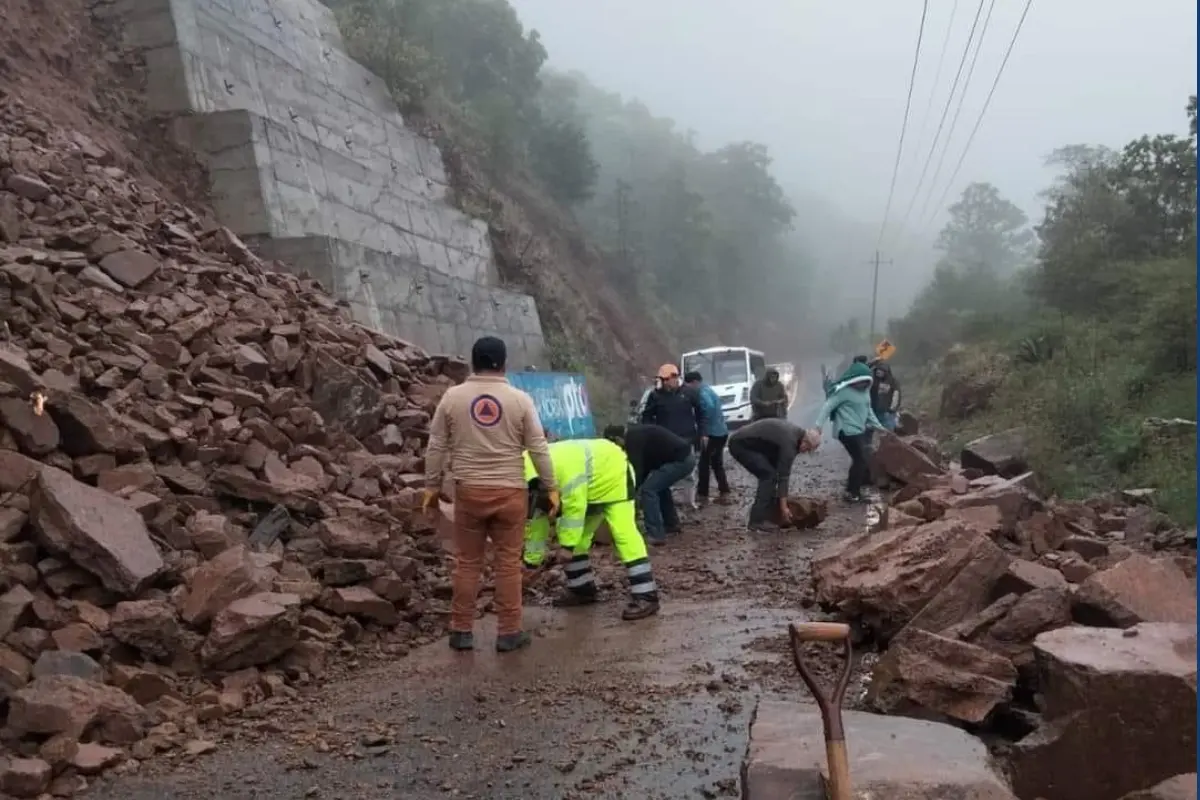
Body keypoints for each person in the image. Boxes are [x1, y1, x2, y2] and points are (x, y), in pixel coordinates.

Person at [423, 336, 560, 653]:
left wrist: (431, 487)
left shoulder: (453, 397)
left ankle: (461, 631)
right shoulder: (520, 400)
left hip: (468, 491)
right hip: (511, 491)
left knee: (467, 562)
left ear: (473, 363)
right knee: (508, 564)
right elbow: (538, 448)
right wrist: (551, 486)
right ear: (504, 364)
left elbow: (436, 446)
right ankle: (509, 632)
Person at [522, 439, 660, 620]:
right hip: (591, 483)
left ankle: (646, 595)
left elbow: (575, 507)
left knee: (623, 534)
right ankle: (582, 590)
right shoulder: (529, 477)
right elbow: (539, 520)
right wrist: (530, 562)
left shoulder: (563, 470)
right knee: (577, 540)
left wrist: (567, 547)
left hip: (614, 474)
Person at [603, 423, 695, 544]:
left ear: (617, 438)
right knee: (659, 487)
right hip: (684, 457)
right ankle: (671, 524)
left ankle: (656, 535)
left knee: (648, 490)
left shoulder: (633, 439)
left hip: (681, 461)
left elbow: (637, 471)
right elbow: (644, 468)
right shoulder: (636, 434)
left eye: (615, 444)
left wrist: (629, 494)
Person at [728, 419, 819, 531]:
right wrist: (784, 507)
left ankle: (768, 513)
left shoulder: (796, 435)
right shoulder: (790, 443)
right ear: (805, 441)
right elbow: (784, 476)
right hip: (740, 445)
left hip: (756, 445)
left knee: (771, 474)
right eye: (807, 449)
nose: (805, 452)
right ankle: (756, 521)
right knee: (768, 476)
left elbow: (780, 467)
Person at [814, 360, 885, 504]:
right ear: (854, 379)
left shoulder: (865, 392)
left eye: (866, 381)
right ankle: (852, 492)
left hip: (858, 430)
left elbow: (868, 411)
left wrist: (880, 427)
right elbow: (827, 407)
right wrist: (818, 426)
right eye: (861, 381)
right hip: (846, 430)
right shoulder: (843, 392)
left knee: (861, 460)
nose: (863, 384)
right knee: (861, 459)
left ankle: (853, 490)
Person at [683, 370, 731, 505]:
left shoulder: (702, 393)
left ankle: (703, 493)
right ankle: (724, 489)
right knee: (717, 463)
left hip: (712, 434)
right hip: (722, 431)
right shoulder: (709, 389)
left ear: (694, 382)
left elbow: (707, 408)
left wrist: (703, 429)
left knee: (704, 463)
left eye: (688, 386)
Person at [640, 364, 707, 446]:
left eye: (667, 379)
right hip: (665, 441)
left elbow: (700, 413)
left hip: (687, 439)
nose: (665, 382)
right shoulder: (655, 395)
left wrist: (703, 433)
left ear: (675, 378)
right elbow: (647, 416)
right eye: (662, 379)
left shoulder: (688, 392)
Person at [868, 358, 902, 432]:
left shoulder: (893, 382)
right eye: (877, 370)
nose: (878, 372)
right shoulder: (872, 381)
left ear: (886, 372)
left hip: (887, 413)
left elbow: (896, 395)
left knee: (887, 433)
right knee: (868, 432)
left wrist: (892, 409)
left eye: (881, 370)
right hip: (873, 411)